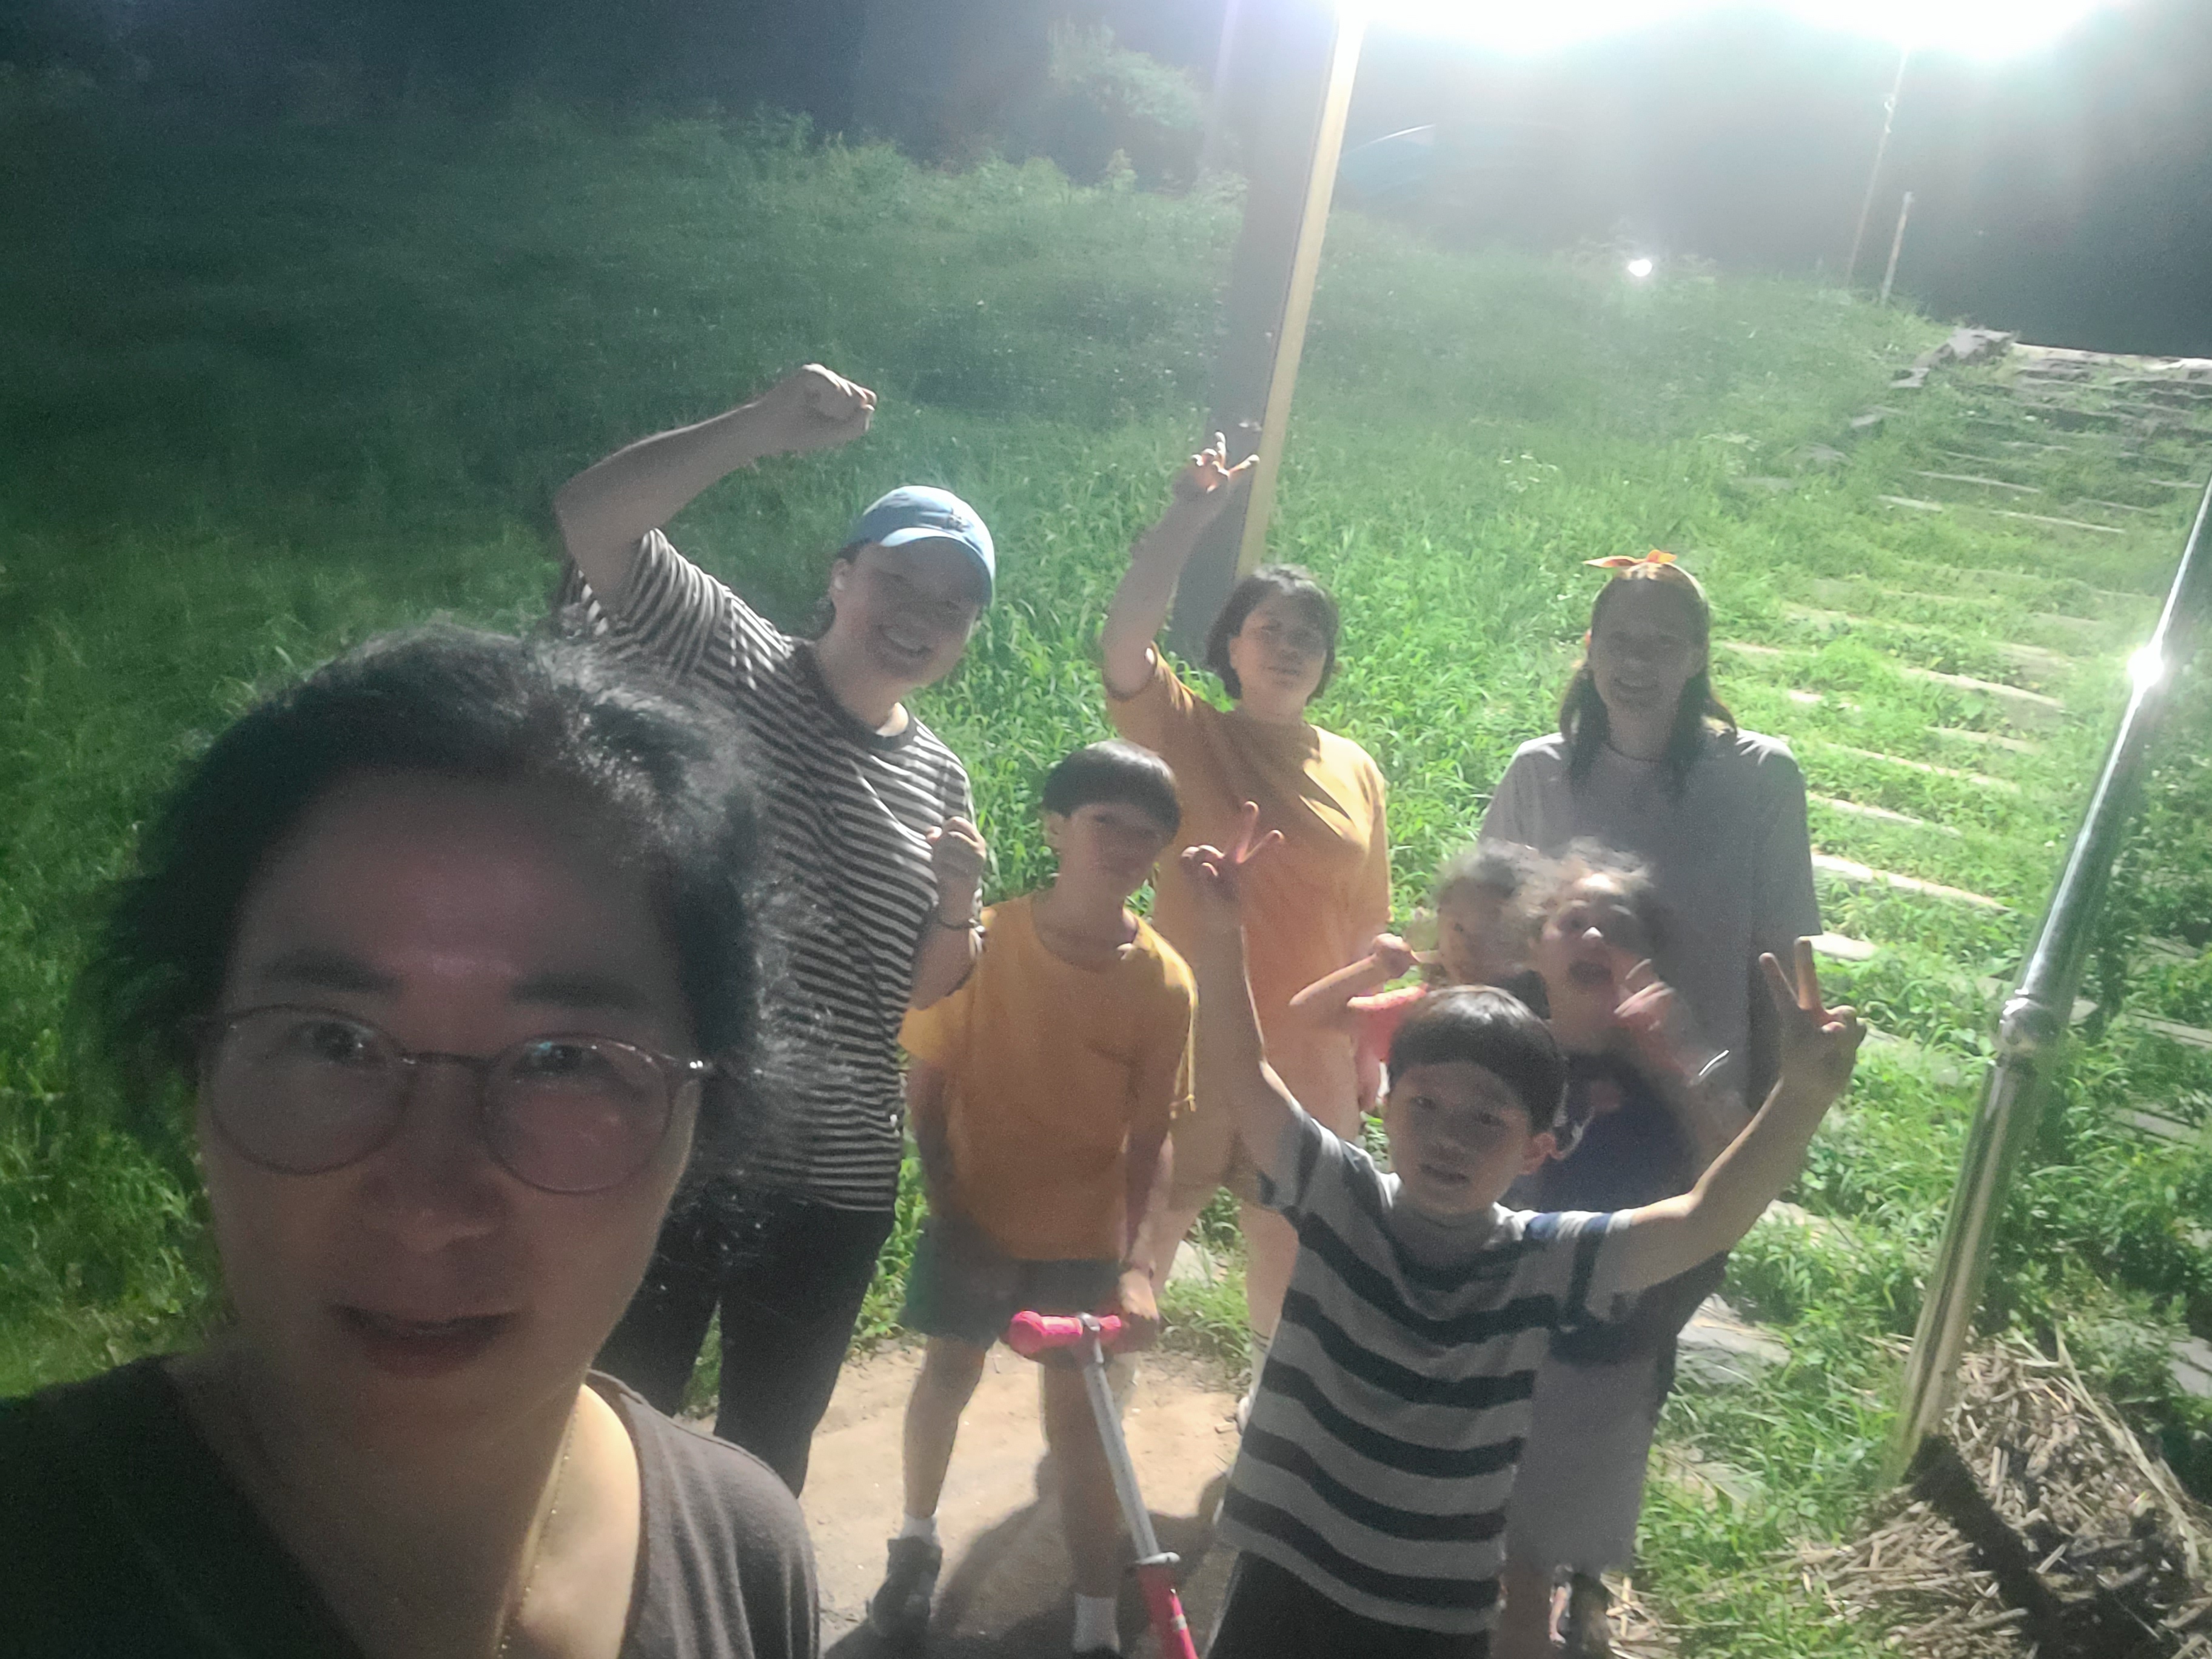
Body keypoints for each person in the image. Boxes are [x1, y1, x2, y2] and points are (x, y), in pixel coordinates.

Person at [0, 628, 815, 1658]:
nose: (429, 1206)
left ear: (707, 1106)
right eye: (332, 1042)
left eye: (564, 1061)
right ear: (193, 1060)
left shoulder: (746, 1556)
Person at [1180, 806, 1862, 1659]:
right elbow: (1241, 1069)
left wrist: (1801, 1096)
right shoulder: (1339, 1192)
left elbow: (1705, 1220)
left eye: (1487, 1119)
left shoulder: (1543, 1257)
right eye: (1426, 1105)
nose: (1449, 1137)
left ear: (1539, 1148)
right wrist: (1220, 930)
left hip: (1433, 1617)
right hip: (1285, 1571)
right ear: (1385, 1105)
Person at [553, 364, 993, 1492]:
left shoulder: (941, 779)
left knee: (767, 1458)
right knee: (607, 1426)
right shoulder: (726, 654)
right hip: (682, 1136)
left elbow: (928, 991)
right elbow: (592, 518)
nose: (919, 615)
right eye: (897, 580)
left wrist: (956, 905)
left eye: (950, 606)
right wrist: (759, 426)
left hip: (839, 1177)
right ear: (841, 577)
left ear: (966, 636)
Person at [865, 740, 1193, 1658]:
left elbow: (1154, 1134)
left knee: (1082, 1431)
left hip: (1083, 1238)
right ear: (1055, 828)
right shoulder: (987, 941)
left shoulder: (1165, 980)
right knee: (947, 1374)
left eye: (1146, 833)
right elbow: (927, 1087)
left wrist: (1138, 1267)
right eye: (1104, 822)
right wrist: (952, 1214)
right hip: (973, 1216)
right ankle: (915, 1545)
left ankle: (1094, 1624)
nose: (1123, 845)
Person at [1099, 437, 1390, 1396]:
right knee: (1143, 1243)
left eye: (1309, 634)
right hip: (1186, 1041)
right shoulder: (1187, 730)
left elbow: (1367, 918)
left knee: (1293, 1255)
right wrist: (1188, 517)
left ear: (1328, 661)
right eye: (1269, 627)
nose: (1289, 645)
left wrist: (1370, 1048)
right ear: (1230, 645)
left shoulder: (1356, 769)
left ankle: (1271, 1426)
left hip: (1307, 1053)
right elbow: (1124, 645)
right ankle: (1097, 1419)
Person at [1496, 845, 1747, 1659]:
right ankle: (1534, 1605)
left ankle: (1585, 1590)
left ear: (1649, 960)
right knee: (1510, 1541)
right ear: (1535, 947)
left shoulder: (1668, 1071)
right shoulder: (1505, 1048)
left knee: (1579, 1501)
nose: (1597, 937)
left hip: (1614, 1343)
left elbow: (1735, 1171)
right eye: (1575, 922)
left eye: (1620, 927)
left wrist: (1679, 1061)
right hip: (1504, 1326)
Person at [1481, 550, 1820, 1111]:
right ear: (1591, 648)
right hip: (1556, 1097)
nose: (1637, 662)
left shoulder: (1762, 776)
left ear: (1697, 656)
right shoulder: (1538, 773)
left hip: (1703, 1099)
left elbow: (1778, 959)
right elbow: (1491, 937)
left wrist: (1772, 1108)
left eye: (1663, 643)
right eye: (1620, 640)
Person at [1288, 842, 1551, 1115]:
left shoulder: (1551, 1022)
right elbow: (1306, 1013)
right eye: (1458, 927)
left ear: (1535, 939)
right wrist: (1376, 968)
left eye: (1494, 935)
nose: (1468, 947)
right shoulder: (1423, 1014)